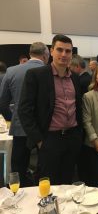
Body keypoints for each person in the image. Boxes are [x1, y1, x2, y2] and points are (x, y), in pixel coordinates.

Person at [18, 34, 83, 185]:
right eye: (60, 50)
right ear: (51, 51)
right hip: (49, 140)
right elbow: (24, 110)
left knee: (68, 183)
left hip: (72, 138)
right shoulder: (36, 75)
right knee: (48, 185)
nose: (64, 54)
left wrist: (78, 136)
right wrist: (39, 141)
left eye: (68, 51)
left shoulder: (75, 77)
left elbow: (78, 108)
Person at [0, 42, 49, 187]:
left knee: (19, 167)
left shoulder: (11, 71)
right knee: (45, 167)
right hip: (44, 129)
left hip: (20, 126)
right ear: (46, 56)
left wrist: (13, 117)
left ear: (30, 54)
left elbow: (3, 103)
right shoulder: (49, 71)